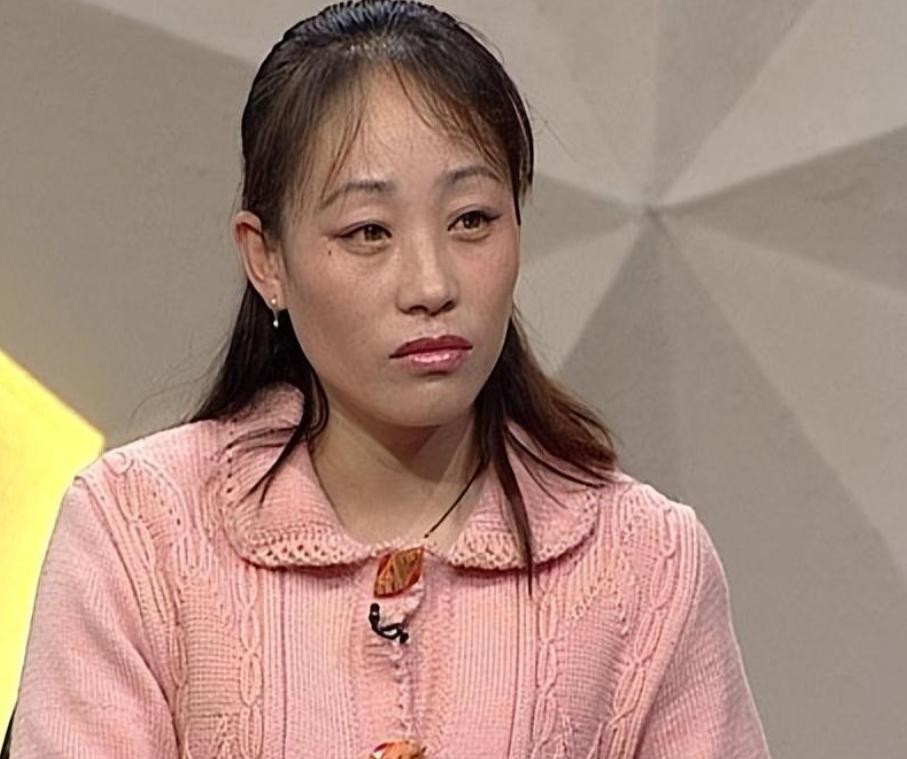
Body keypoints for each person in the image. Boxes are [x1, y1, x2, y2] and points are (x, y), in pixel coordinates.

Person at [9, 1, 771, 756]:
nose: (431, 284)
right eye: (368, 231)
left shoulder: (645, 562)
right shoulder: (136, 535)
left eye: (471, 219)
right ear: (266, 259)